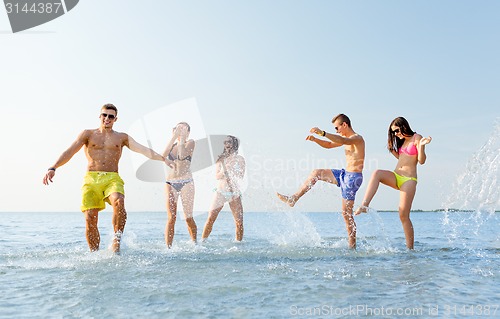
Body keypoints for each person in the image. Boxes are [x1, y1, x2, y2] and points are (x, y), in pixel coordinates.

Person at [42, 103, 169, 253]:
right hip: (91, 180)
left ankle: (116, 240)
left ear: (115, 119)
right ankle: (94, 254)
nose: (107, 118)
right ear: (100, 116)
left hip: (112, 179)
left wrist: (163, 159)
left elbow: (142, 149)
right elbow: (70, 151)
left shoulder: (121, 138)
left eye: (111, 116)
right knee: (90, 218)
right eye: (104, 115)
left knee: (119, 201)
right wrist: (53, 167)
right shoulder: (87, 134)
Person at [277, 114, 365, 249]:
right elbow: (329, 145)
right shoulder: (345, 139)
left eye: (337, 128)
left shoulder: (356, 138)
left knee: (346, 214)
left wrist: (323, 133)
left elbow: (341, 139)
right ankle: (293, 199)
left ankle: (352, 247)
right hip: (344, 174)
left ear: (345, 125)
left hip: (353, 178)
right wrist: (315, 140)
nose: (337, 130)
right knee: (316, 173)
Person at [354, 117, 432, 249]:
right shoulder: (402, 142)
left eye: (396, 130)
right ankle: (364, 205)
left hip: (408, 180)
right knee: (377, 173)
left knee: (403, 214)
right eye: (393, 132)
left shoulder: (416, 137)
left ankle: (410, 249)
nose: (395, 134)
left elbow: (421, 160)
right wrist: (392, 149)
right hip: (396, 176)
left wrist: (422, 146)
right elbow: (402, 158)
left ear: (403, 126)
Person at [202, 136, 245, 242]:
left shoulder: (240, 159)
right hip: (220, 191)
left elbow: (241, 175)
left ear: (235, 145)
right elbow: (217, 176)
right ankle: (202, 241)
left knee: (239, 222)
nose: (227, 145)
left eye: (229, 142)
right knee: (211, 217)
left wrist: (232, 168)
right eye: (225, 143)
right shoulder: (220, 159)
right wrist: (225, 168)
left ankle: (238, 244)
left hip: (234, 193)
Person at [163, 122, 197, 248]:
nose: (180, 131)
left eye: (183, 129)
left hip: (186, 182)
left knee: (188, 217)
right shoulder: (172, 145)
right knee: (171, 217)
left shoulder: (191, 143)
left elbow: (182, 156)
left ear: (188, 132)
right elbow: (163, 155)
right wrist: (174, 136)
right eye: (178, 129)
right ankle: (168, 248)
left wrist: (182, 138)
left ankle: (195, 244)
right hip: (170, 182)